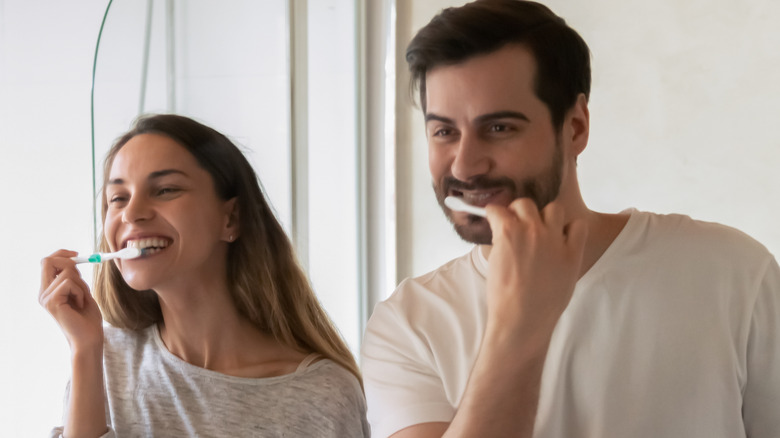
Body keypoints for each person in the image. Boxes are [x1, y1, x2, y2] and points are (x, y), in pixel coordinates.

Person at [360, 1, 780, 437]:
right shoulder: (409, 325)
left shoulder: (734, 273)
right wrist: (520, 321)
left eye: (499, 128)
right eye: (444, 131)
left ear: (575, 126)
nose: (465, 166)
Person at [39, 114, 370, 437]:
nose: (132, 213)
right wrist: (84, 349)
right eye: (118, 198)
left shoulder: (322, 396)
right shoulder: (104, 365)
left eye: (165, 189)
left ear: (231, 218)